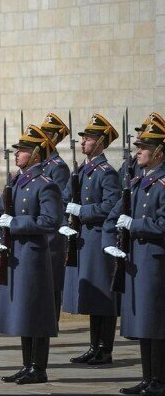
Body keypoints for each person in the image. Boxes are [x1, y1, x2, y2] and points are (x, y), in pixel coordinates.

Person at [0, 124, 62, 385]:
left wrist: (16, 224)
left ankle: (38, 368)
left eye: (23, 150)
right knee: (23, 311)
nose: (17, 154)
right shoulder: (16, 181)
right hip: (15, 254)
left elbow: (50, 221)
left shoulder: (45, 185)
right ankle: (26, 365)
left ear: (37, 154)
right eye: (18, 150)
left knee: (36, 311)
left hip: (33, 255)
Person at [103, 119, 165, 395]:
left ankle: (159, 381)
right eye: (138, 147)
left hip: (155, 261)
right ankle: (148, 379)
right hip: (135, 261)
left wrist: (134, 225)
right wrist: (111, 240)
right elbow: (115, 214)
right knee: (142, 321)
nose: (137, 151)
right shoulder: (138, 182)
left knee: (156, 323)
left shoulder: (162, 184)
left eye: (143, 147)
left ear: (159, 153)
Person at [58, 113, 121, 365]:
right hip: (82, 238)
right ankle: (94, 346)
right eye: (83, 138)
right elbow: (64, 199)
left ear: (101, 143)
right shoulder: (82, 170)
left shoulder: (106, 172)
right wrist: (65, 218)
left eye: (88, 138)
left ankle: (105, 349)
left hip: (98, 238)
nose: (83, 142)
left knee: (103, 296)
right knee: (93, 296)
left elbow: (111, 205)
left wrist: (82, 211)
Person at [39, 112, 71, 321]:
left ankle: (52, 321)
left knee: (52, 279)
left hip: (51, 230)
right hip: (39, 229)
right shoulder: (40, 165)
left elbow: (58, 201)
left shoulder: (57, 166)